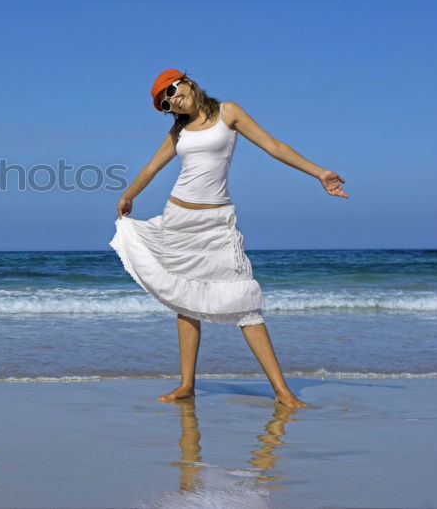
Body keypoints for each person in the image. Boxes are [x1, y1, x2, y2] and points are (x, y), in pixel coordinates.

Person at [109, 69, 348, 407]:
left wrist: (319, 173)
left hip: (217, 222)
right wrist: (128, 196)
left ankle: (282, 392)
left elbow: (274, 146)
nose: (173, 101)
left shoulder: (228, 113)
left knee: (245, 303)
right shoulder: (178, 131)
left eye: (174, 92)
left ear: (188, 82)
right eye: (166, 103)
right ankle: (186, 386)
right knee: (185, 300)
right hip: (179, 218)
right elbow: (151, 167)